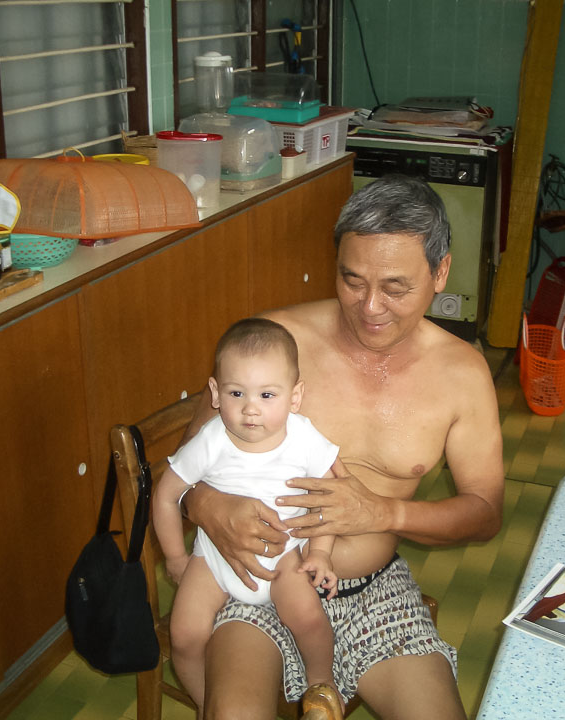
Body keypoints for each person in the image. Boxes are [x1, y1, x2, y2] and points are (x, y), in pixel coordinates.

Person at [176, 173, 507, 720]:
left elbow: (485, 512)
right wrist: (208, 504)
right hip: (258, 584)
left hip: (375, 590)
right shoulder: (276, 343)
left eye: (395, 287)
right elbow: (184, 472)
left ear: (440, 272)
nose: (370, 306)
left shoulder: (462, 374)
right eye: (352, 281)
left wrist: (384, 512)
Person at [153, 318, 346, 713]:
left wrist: (321, 552)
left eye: (267, 395)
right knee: (184, 636)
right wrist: (174, 557)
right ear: (215, 393)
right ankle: (205, 703)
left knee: (309, 620)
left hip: (284, 557)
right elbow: (166, 495)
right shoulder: (210, 441)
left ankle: (322, 686)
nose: (251, 409)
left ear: (295, 396)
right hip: (214, 559)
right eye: (237, 392)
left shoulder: (304, 437)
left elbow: (329, 498)